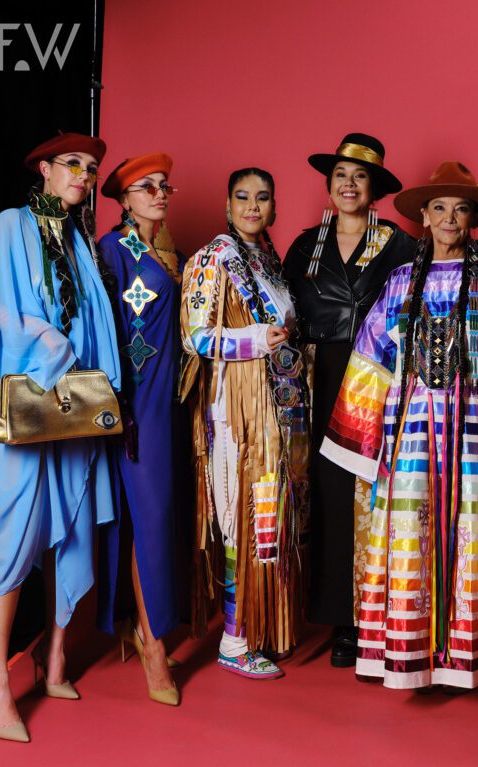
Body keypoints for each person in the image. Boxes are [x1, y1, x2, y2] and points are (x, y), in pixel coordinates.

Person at [320, 161, 478, 689]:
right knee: (409, 535)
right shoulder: (401, 281)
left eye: (460, 208)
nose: (449, 218)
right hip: (412, 437)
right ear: (423, 215)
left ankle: (473, 657)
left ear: (473, 219)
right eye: (439, 208)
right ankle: (409, 658)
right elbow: (369, 360)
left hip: (476, 437)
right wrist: (366, 442)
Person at [0, 131, 120, 742]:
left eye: (91, 169)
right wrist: (43, 341)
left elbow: (92, 317)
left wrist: (95, 374)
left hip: (67, 410)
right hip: (23, 406)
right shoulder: (10, 227)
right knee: (14, 539)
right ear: (44, 169)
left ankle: (54, 658)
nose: (84, 177)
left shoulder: (77, 242)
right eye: (73, 165)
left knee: (63, 534)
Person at [283, 133, 414, 667]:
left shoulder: (402, 246)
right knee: (323, 495)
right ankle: (332, 614)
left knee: (368, 496)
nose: (349, 184)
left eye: (359, 176)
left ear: (374, 187)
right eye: (340, 175)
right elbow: (283, 315)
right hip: (316, 379)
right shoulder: (302, 245)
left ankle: (369, 617)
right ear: (329, 184)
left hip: (374, 380)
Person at [181, 168, 308, 679]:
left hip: (278, 403)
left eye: (262, 197)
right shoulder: (215, 257)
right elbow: (194, 338)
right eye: (242, 197)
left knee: (269, 514)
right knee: (240, 512)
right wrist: (251, 341)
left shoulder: (267, 260)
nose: (253, 206)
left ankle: (258, 628)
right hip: (235, 405)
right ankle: (233, 642)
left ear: (274, 206)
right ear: (226, 202)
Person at [96, 152, 186, 705]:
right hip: (137, 401)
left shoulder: (167, 250)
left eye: (163, 186)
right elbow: (104, 327)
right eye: (145, 187)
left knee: (162, 515)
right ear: (125, 198)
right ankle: (154, 647)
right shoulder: (115, 250)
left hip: (171, 398)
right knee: (149, 519)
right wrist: (119, 403)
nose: (159, 194)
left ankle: (147, 626)